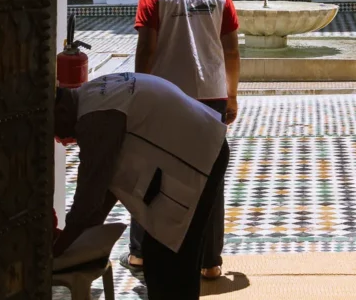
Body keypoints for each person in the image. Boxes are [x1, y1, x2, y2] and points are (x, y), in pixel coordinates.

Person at [54, 72, 229, 300]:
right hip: (203, 142)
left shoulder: (94, 119)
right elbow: (103, 188)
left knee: (172, 261)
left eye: (56, 130)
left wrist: (58, 250)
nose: (60, 138)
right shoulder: (92, 93)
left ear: (61, 111)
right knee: (166, 256)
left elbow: (89, 199)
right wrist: (83, 235)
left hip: (201, 155)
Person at [128, 0, 240, 281]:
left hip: (166, 95)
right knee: (209, 176)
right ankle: (210, 260)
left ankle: (141, 253)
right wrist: (232, 95)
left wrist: (139, 91)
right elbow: (231, 49)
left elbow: (147, 47)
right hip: (211, 97)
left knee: (151, 170)